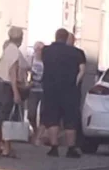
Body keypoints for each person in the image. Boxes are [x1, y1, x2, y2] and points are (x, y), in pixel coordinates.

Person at [42, 28, 86, 158]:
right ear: (67, 38)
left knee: (52, 118)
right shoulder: (77, 53)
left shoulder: (46, 51)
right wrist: (75, 83)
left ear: (56, 37)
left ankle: (54, 147)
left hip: (50, 90)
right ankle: (71, 148)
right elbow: (82, 71)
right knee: (70, 119)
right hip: (69, 91)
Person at [0, 27, 31, 158]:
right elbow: (12, 73)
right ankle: (7, 148)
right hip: (7, 87)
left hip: (0, 85)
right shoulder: (14, 51)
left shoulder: (7, 49)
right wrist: (16, 93)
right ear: (20, 38)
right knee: (7, 118)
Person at [27, 42, 46, 145]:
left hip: (43, 90)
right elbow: (25, 70)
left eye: (40, 49)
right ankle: (35, 130)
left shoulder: (46, 60)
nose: (38, 51)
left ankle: (38, 136)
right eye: (37, 49)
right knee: (31, 113)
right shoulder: (31, 59)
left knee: (43, 113)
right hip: (32, 89)